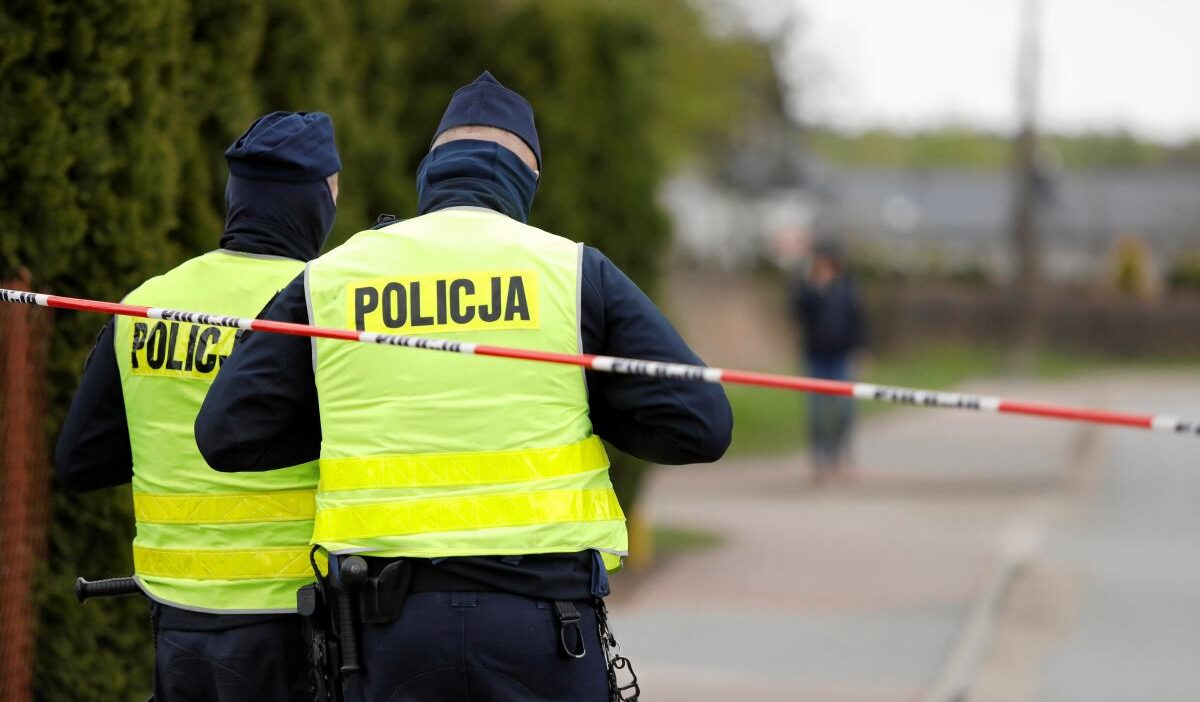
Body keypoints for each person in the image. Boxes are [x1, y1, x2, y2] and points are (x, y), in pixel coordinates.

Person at [195, 72, 732, 702]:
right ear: (527, 178)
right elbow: (700, 424)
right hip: (544, 629)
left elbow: (226, 434)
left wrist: (356, 411)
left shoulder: (333, 276)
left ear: (431, 171)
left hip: (386, 637)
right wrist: (583, 397)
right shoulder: (572, 269)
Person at [55, 112, 342, 702]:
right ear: (314, 201)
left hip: (176, 618)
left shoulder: (145, 304)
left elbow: (81, 460)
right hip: (290, 615)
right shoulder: (322, 305)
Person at [789, 239, 868, 483]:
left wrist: (861, 349)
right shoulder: (808, 288)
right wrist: (812, 287)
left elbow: (858, 319)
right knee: (817, 413)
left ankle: (839, 455)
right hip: (816, 358)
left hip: (841, 357)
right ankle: (819, 460)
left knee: (845, 411)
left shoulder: (848, 287)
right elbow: (797, 311)